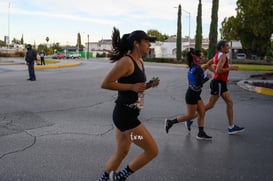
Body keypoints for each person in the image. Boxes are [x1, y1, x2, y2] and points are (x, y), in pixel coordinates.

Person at [99, 27, 159, 181]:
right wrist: (131, 87)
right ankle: (120, 177)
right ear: (136, 43)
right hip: (126, 117)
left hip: (129, 114)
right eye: (146, 42)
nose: (149, 45)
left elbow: (136, 86)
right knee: (152, 150)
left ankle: (104, 179)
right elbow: (106, 83)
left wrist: (149, 85)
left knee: (122, 152)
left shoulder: (140, 62)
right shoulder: (126, 61)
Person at [186, 40, 245, 135]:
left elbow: (209, 64)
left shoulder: (218, 54)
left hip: (219, 83)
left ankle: (231, 126)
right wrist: (231, 68)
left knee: (216, 104)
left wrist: (219, 76)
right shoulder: (223, 56)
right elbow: (218, 70)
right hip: (219, 84)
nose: (228, 47)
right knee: (218, 104)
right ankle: (231, 127)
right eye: (226, 46)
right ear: (222, 47)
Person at [165, 49, 212, 140]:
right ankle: (170, 122)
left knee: (202, 113)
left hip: (195, 94)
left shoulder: (194, 66)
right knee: (190, 115)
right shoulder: (197, 69)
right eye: (201, 56)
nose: (202, 58)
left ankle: (201, 133)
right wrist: (207, 78)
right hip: (192, 96)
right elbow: (198, 83)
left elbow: (199, 74)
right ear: (196, 58)